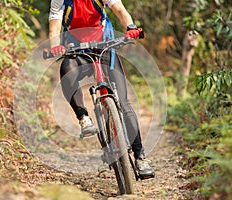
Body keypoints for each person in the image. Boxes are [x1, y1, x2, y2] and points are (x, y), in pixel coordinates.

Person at [48, 0, 154, 179]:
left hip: (104, 45)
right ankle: (83, 117)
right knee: (67, 70)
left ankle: (140, 158)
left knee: (124, 103)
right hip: (76, 48)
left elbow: (119, 10)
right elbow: (55, 27)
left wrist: (130, 26)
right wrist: (55, 45)